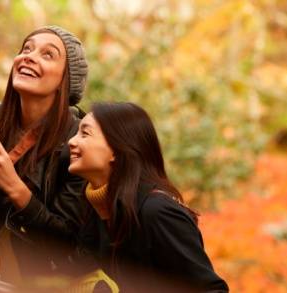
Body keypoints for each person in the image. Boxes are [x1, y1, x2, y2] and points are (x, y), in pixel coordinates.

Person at [0, 25, 88, 284]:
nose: (28, 56)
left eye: (47, 54)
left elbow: (68, 244)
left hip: (48, 284)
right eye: (26, 49)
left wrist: (15, 188)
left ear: (67, 80)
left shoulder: (78, 142)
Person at [67, 102, 229, 292]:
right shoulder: (98, 210)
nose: (71, 141)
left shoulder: (157, 212)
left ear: (117, 150)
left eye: (85, 134)